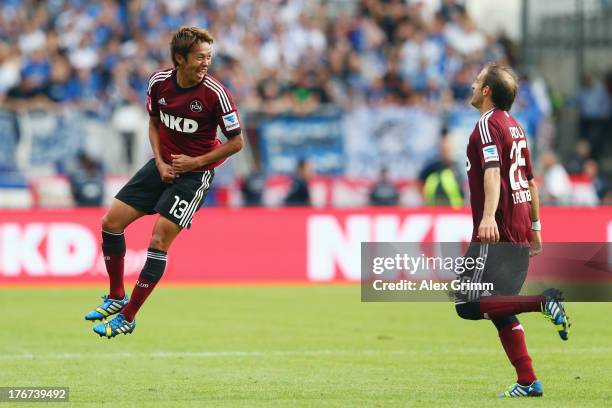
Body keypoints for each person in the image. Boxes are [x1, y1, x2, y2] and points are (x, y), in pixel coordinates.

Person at [84, 27, 244, 338]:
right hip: (162, 166)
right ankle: (117, 295)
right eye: (200, 57)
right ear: (180, 58)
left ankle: (129, 315)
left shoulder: (215, 94)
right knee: (111, 221)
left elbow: (236, 142)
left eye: (209, 57)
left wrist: (195, 162)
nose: (205, 63)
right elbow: (155, 123)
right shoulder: (159, 83)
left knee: (158, 241)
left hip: (195, 175)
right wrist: (159, 161)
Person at [455, 63, 569, 397]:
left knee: (466, 303)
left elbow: (492, 173)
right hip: (518, 225)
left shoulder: (487, 125)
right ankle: (528, 381)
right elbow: (531, 181)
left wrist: (487, 218)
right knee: (499, 308)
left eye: (478, 82)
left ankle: (543, 302)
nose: (473, 86)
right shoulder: (515, 127)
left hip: (498, 227)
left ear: (487, 90)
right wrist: (535, 226)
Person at [419, 133, 464, 208]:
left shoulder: (457, 165)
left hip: (455, 208)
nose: (446, 150)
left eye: (448, 147)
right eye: (443, 148)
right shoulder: (433, 165)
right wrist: (425, 198)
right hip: (435, 207)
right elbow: (419, 181)